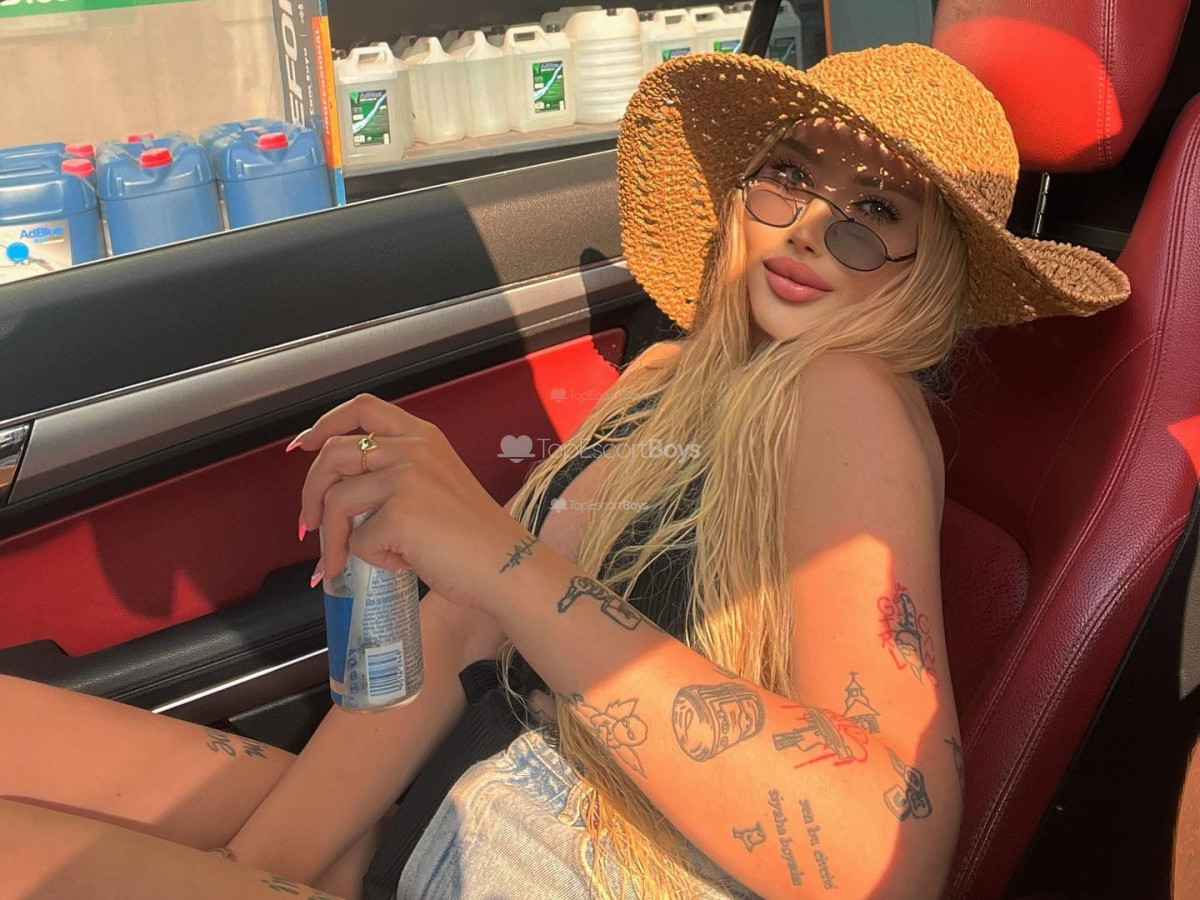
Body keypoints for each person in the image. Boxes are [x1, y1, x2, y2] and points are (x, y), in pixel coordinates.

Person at [0, 43, 1130, 900]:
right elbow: (467, 625)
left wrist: (492, 553)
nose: (804, 232)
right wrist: (263, 867)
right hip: (467, 786)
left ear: (930, 272)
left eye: (873, 213)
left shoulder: (848, 395)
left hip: (557, 852)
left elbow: (889, 850)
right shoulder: (673, 378)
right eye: (788, 177)